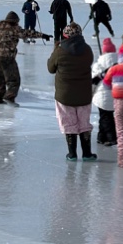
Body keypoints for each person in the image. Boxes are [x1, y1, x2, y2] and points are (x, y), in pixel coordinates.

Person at [45, 24, 98, 159]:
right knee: (84, 122)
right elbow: (89, 62)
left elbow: (51, 69)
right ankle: (87, 153)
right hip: (84, 93)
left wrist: (54, 50)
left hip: (65, 94)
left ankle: (72, 153)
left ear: (65, 35)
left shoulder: (60, 50)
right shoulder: (87, 49)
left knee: (68, 122)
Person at [91, 36, 118, 148]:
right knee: (108, 116)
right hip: (116, 94)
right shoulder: (119, 63)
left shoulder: (99, 64)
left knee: (104, 116)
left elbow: (93, 80)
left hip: (101, 95)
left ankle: (109, 137)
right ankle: (102, 136)